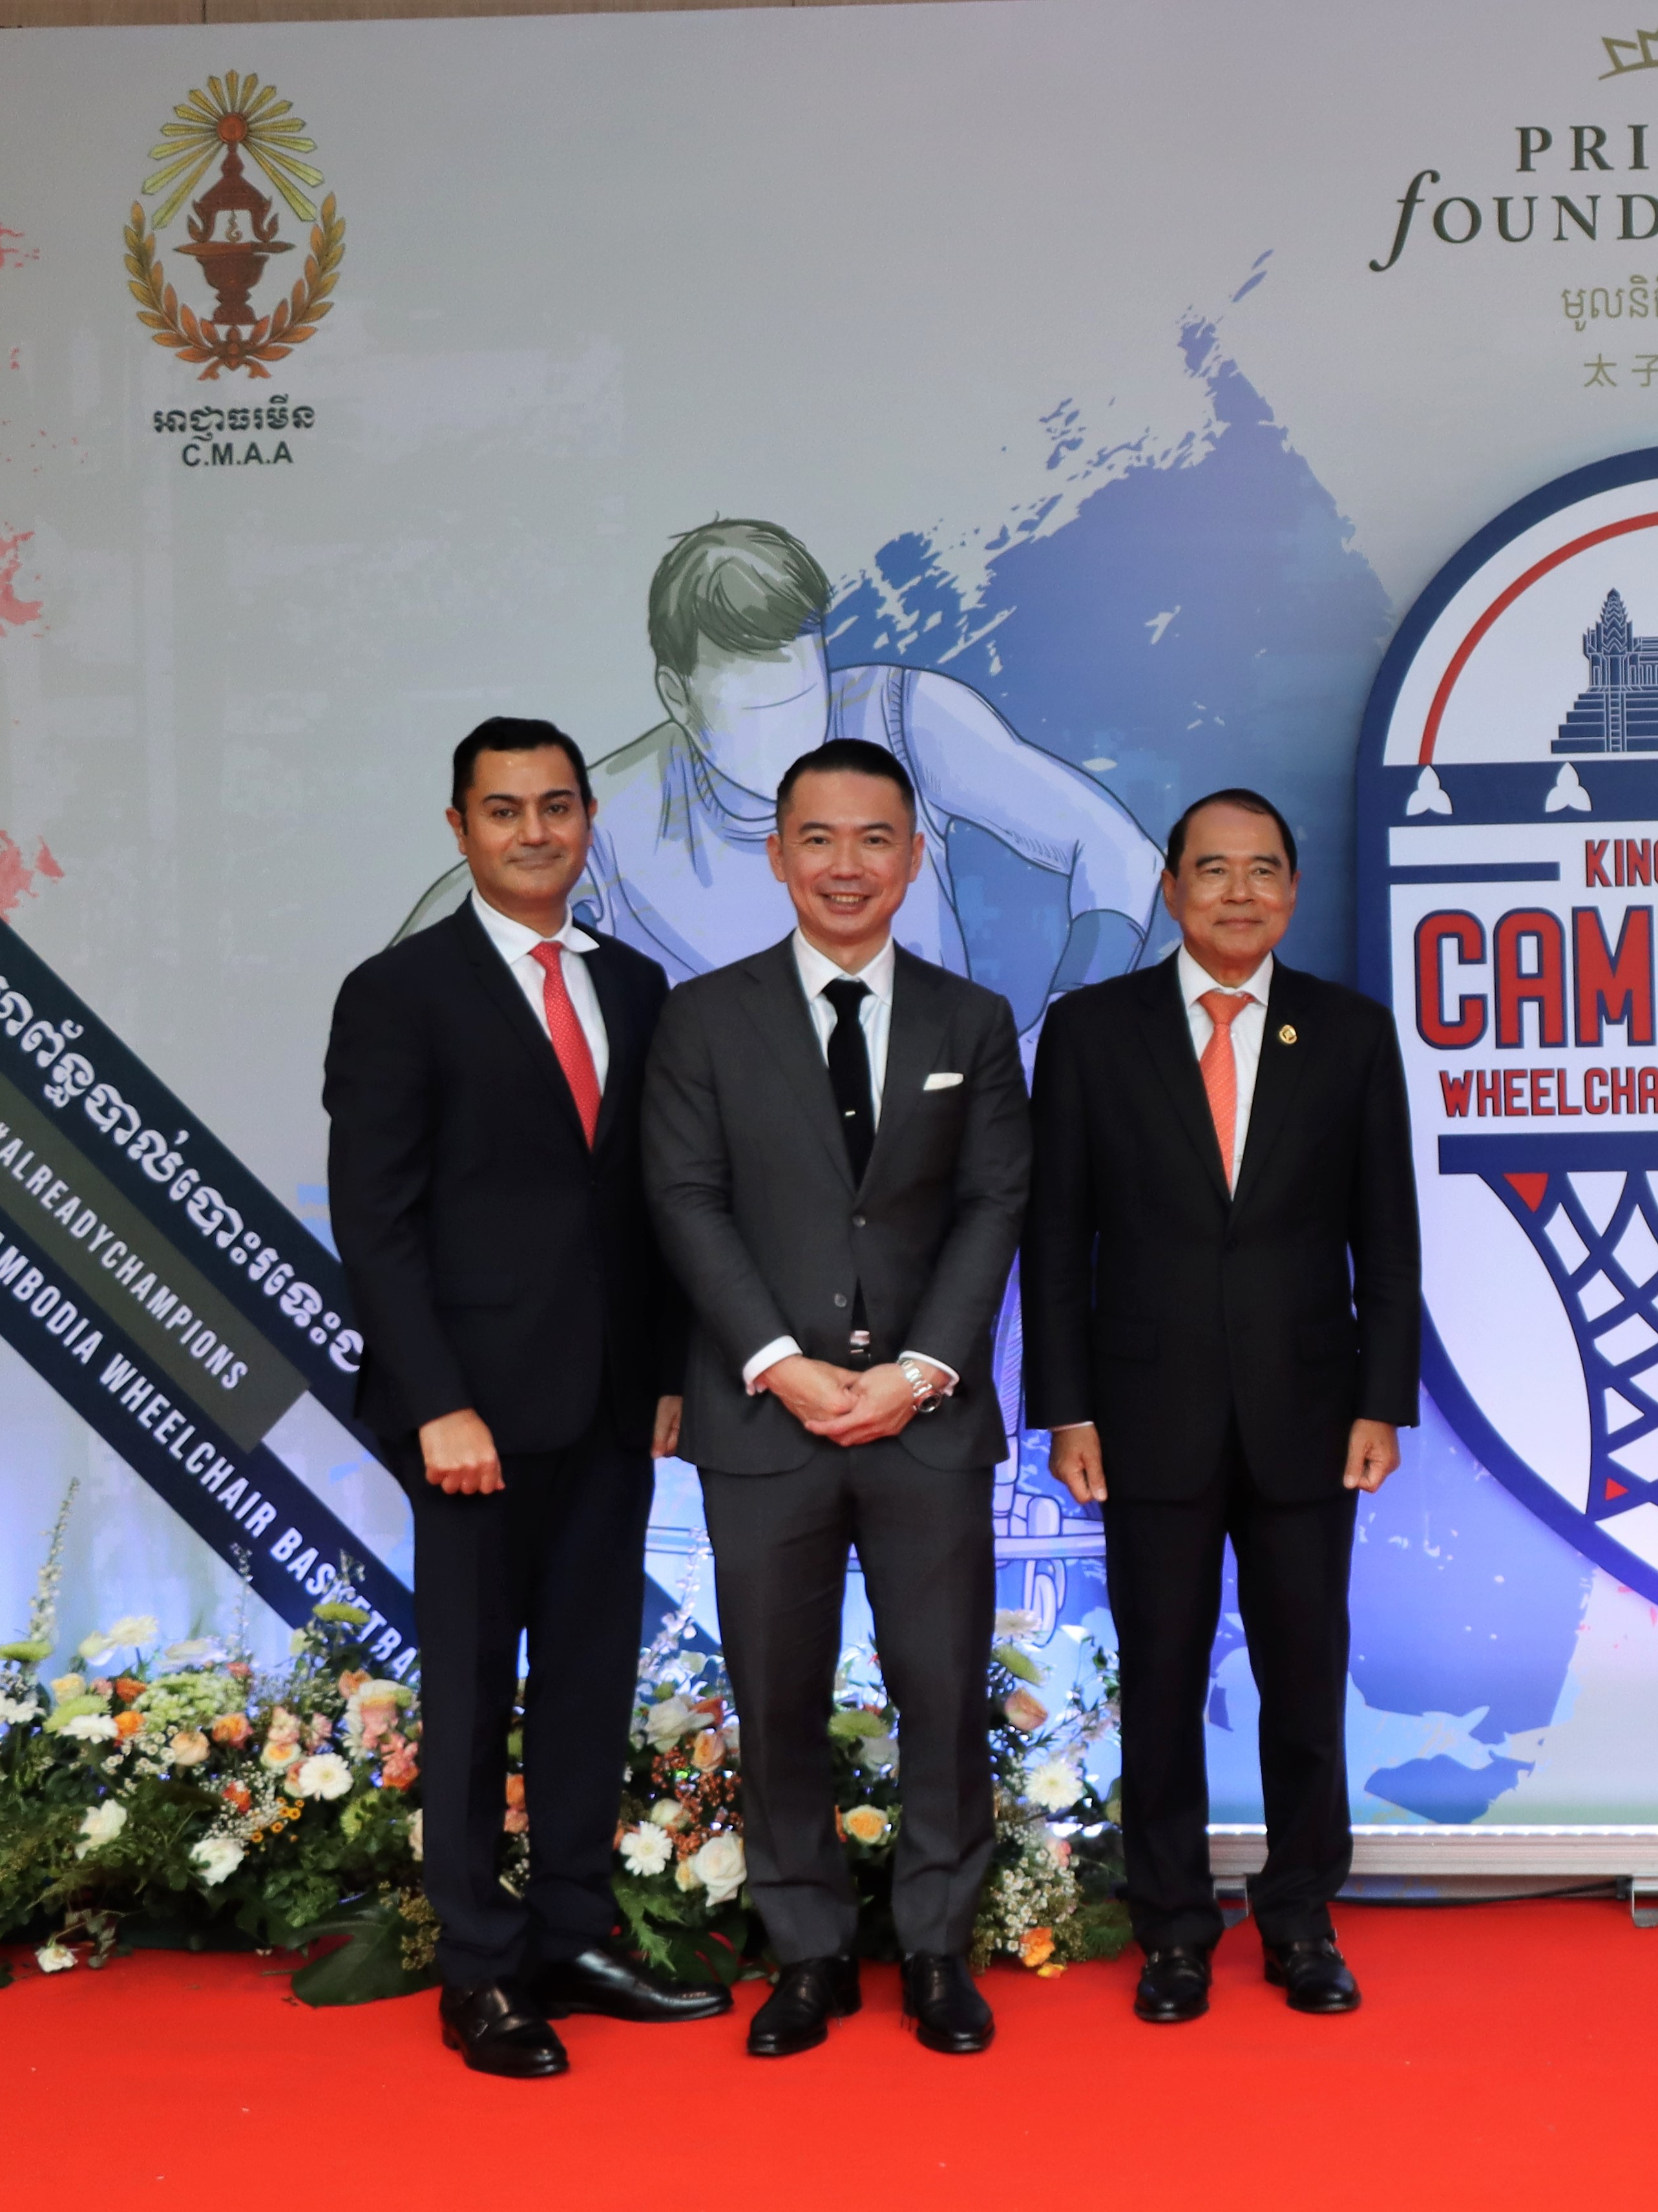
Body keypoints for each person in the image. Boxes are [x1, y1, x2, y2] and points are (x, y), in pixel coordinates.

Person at [323, 717, 724, 2078]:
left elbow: (652, 1203)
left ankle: (570, 1934)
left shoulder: (637, 984)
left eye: (557, 806)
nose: (535, 831)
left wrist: (663, 1370)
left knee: (589, 1684)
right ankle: (480, 1970)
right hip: (471, 1418)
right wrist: (437, 1399)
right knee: (473, 1686)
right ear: (460, 829)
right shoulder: (399, 992)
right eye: (505, 810)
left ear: (587, 822)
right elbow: (375, 1222)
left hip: (610, 1404)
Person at [641, 737, 1031, 2058]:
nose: (847, 864)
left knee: (944, 1690)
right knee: (777, 1693)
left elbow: (993, 1203)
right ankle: (805, 1950)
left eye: (875, 838)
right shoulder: (703, 1018)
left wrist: (920, 1369)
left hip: (928, 1421)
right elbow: (684, 1199)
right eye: (819, 837)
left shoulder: (972, 1021)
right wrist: (779, 1359)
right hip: (766, 1416)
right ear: (778, 854)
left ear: (914, 855)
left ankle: (936, 1947)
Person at [1023, 788, 1416, 2023]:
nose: (1238, 893)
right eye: (1213, 869)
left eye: (1262, 870)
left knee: (1306, 1677)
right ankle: (1174, 1929)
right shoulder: (1092, 1031)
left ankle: (1301, 1919)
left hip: (1311, 1413)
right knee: (1160, 1677)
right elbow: (1055, 1238)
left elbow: (1388, 1235)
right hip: (1146, 1414)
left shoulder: (1350, 1033)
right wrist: (1068, 1410)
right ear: (1172, 887)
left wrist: (1382, 1399)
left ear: (1292, 890)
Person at [397, 518, 1167, 1005]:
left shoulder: (900, 717)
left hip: (928, 1141)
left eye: (808, 703)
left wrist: (1067, 1015)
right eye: (756, 721)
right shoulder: (611, 814)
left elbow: (1115, 849)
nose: (800, 758)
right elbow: (411, 967)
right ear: (677, 697)